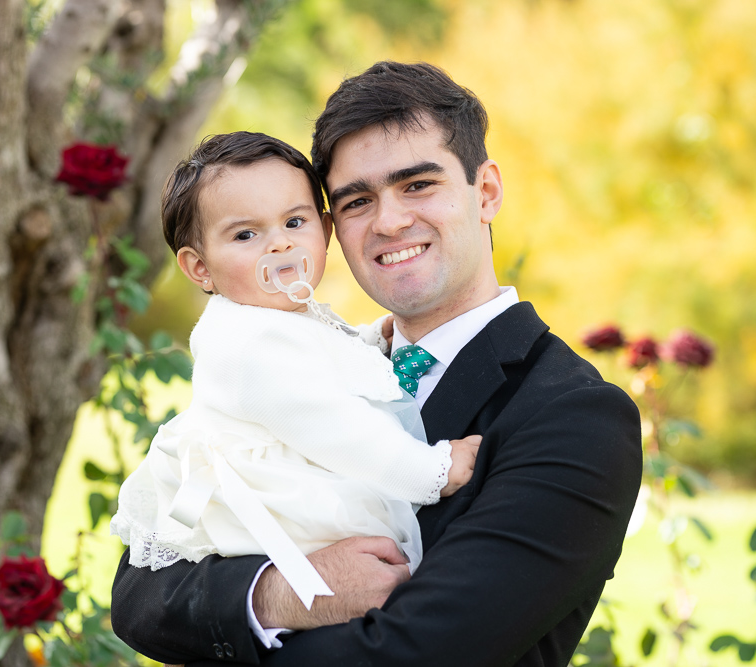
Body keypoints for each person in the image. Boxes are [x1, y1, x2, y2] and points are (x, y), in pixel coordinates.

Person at [111, 61, 643, 667]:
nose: (389, 222)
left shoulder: (575, 417)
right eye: (358, 200)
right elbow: (139, 594)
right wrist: (280, 595)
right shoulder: (296, 364)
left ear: (486, 192)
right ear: (334, 226)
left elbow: (421, 651)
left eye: (418, 185)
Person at [110, 131, 481, 611]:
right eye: (246, 234)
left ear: (324, 231)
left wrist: (370, 341)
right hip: (280, 504)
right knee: (381, 577)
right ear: (200, 268)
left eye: (294, 221)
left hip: (275, 485)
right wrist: (432, 471)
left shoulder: (273, 317)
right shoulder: (251, 343)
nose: (279, 245)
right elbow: (339, 430)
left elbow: (318, 357)